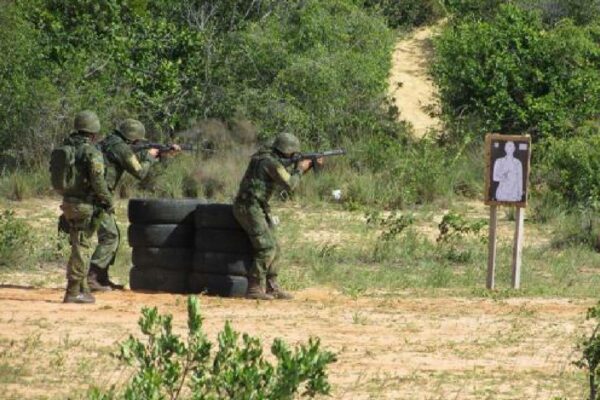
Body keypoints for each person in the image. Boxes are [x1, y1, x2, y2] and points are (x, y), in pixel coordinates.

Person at [88, 119, 177, 291]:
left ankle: (101, 278)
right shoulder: (120, 147)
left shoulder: (110, 142)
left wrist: (160, 153)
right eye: (137, 141)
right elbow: (140, 172)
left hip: (94, 194)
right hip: (98, 197)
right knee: (110, 237)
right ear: (132, 138)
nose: (138, 144)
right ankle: (92, 278)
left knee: (111, 235)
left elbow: (133, 157)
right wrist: (151, 157)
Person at [233, 132, 321, 300]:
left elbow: (286, 179)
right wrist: (301, 169)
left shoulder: (264, 157)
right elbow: (289, 184)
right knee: (266, 247)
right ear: (286, 150)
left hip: (256, 206)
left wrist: (304, 168)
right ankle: (254, 288)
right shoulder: (270, 162)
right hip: (249, 206)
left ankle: (272, 287)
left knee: (276, 246)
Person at [60, 110, 113, 304]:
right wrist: (108, 200)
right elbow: (98, 181)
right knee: (81, 247)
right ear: (93, 131)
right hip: (83, 204)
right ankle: (73, 291)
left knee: (77, 243)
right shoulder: (91, 152)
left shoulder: (67, 148)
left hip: (68, 202)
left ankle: (82, 288)